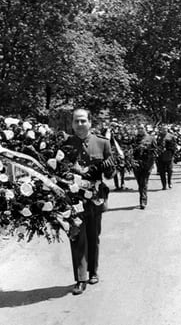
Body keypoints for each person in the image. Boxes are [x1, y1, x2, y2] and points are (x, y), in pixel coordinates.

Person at [63, 108, 114, 295]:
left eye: (83, 121)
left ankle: (93, 271)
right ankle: (80, 277)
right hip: (74, 199)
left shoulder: (102, 143)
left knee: (93, 235)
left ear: (90, 123)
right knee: (76, 236)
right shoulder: (66, 144)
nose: (80, 124)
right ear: (72, 124)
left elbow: (110, 174)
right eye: (76, 121)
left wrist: (109, 169)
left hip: (95, 199)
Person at [132, 123, 157, 209]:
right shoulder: (134, 139)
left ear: (145, 129)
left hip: (147, 164)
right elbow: (130, 149)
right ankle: (142, 197)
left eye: (141, 128)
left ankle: (143, 201)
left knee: (144, 182)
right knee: (140, 183)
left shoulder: (151, 138)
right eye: (138, 128)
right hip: (136, 164)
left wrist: (151, 160)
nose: (140, 130)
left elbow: (155, 151)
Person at [156, 124, 176, 189]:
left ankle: (169, 182)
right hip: (160, 156)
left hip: (169, 156)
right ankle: (164, 185)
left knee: (170, 170)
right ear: (161, 130)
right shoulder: (158, 136)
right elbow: (156, 145)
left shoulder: (171, 136)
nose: (164, 130)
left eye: (165, 129)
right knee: (162, 171)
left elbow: (174, 146)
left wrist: (170, 151)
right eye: (163, 129)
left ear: (167, 129)